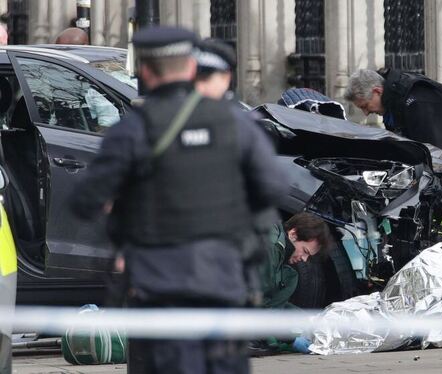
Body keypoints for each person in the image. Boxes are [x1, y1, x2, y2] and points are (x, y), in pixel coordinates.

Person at [69, 26, 286, 374]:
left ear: (145, 72)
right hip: (224, 279)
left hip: (160, 285)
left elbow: (83, 201)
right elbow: (274, 187)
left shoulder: (134, 130)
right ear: (189, 68)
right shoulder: (235, 122)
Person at [343, 68, 442, 160]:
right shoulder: (393, 104)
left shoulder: (417, 100)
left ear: (377, 91)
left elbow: (439, 157)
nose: (366, 113)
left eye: (365, 106)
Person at [261, 212, 333, 309]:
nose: (304, 259)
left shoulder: (276, 245)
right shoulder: (271, 250)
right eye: (305, 251)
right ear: (293, 234)